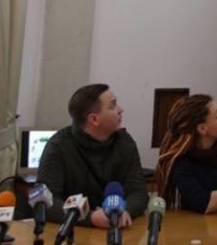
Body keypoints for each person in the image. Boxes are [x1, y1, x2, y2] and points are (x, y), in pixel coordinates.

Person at [36, 84, 146, 228]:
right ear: (94, 119)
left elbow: (138, 192)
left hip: (118, 227)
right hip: (73, 230)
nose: (121, 110)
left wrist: (124, 211)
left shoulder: (125, 142)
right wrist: (91, 217)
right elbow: (45, 203)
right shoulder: (58, 146)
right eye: (113, 105)